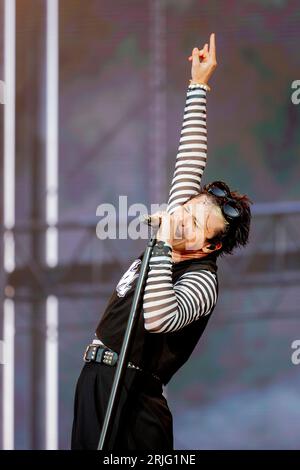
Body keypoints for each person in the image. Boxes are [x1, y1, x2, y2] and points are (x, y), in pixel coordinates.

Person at [71, 32, 252, 450]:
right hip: (97, 382)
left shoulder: (203, 281)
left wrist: (165, 245)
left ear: (210, 247)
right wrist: (198, 85)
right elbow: (190, 157)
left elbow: (158, 318)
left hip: (136, 402)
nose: (182, 220)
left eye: (194, 224)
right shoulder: (175, 227)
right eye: (185, 211)